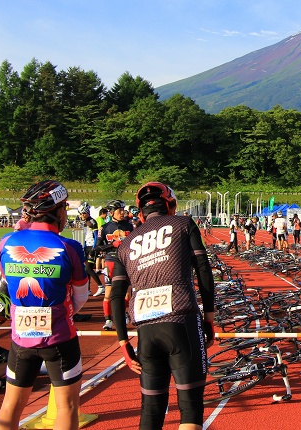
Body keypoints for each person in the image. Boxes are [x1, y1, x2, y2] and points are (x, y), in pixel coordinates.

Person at [109, 181, 215, 430]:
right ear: (170, 205)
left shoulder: (127, 242)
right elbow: (203, 270)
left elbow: (116, 296)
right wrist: (209, 317)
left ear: (141, 211)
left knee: (151, 412)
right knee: (189, 409)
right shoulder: (182, 224)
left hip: (145, 330)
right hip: (181, 320)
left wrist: (123, 342)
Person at [0, 180, 89, 430]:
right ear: (57, 212)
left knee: (10, 407)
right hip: (60, 337)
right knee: (67, 408)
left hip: (20, 339)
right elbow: (81, 296)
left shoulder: (6, 242)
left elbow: (7, 280)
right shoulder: (70, 247)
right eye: (65, 209)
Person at [95, 200, 133, 331]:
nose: (123, 212)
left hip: (125, 261)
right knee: (108, 293)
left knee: (126, 293)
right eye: (119, 210)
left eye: (123, 210)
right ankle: (108, 320)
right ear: (112, 213)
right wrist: (112, 244)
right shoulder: (104, 228)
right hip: (110, 261)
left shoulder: (129, 226)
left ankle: (123, 313)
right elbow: (97, 247)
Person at [78, 202, 104, 296]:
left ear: (88, 212)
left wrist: (94, 248)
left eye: (83, 213)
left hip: (92, 247)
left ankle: (101, 286)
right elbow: (86, 236)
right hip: (87, 247)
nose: (82, 215)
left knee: (89, 268)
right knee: (86, 269)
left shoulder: (91, 221)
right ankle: (87, 289)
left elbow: (96, 236)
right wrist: (84, 246)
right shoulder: (85, 222)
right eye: (81, 214)